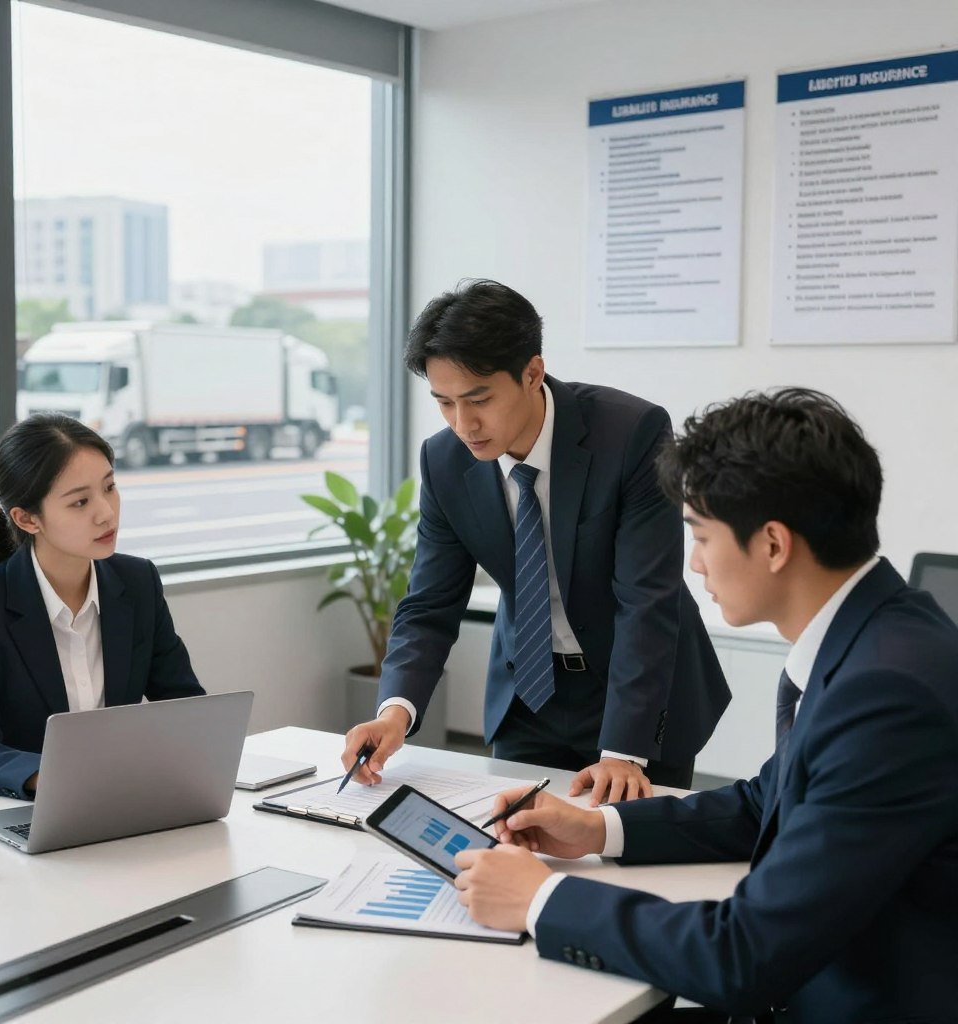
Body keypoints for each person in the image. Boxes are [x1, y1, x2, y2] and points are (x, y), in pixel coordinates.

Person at [453, 387, 958, 1024]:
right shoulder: (881, 633)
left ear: (773, 545)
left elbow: (746, 955)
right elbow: (765, 805)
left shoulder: (888, 694)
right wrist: (596, 830)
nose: (693, 563)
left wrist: (542, 899)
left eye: (701, 534)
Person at [342, 280, 729, 798]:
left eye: (479, 399)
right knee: (512, 845)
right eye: (445, 403)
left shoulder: (631, 433)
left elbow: (646, 600)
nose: (464, 424)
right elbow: (430, 603)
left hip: (632, 694)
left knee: (630, 855)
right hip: (527, 698)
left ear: (532, 373)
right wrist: (394, 712)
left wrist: (622, 751)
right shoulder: (444, 460)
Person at [0, 414, 204, 804]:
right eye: (80, 502)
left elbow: (185, 707)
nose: (106, 512)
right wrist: (66, 779)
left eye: (109, 487)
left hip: (107, 804)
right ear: (27, 519)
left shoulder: (137, 582)